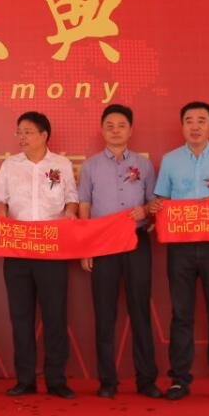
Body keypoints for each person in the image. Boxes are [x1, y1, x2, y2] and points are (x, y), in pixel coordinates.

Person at [149, 102, 209, 402]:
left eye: (201, 120)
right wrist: (156, 206)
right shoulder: (170, 160)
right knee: (181, 315)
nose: (195, 126)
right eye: (189, 120)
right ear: (182, 126)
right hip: (180, 247)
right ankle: (179, 380)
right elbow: (161, 200)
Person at [0, 111, 79, 399]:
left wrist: (69, 215)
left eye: (27, 132)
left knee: (55, 316)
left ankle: (56, 379)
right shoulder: (10, 165)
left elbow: (71, 200)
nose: (22, 137)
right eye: (19, 132)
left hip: (51, 249)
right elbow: (0, 200)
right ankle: (25, 379)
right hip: (18, 249)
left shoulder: (61, 164)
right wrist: (1, 218)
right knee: (21, 317)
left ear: (44, 135)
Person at [78, 104, 161, 399]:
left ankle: (146, 380)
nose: (115, 130)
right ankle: (107, 381)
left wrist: (146, 210)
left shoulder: (144, 164)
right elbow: (84, 206)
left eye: (121, 125)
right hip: (102, 243)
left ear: (130, 130)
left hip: (136, 241)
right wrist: (86, 246)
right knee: (104, 313)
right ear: (102, 130)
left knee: (140, 311)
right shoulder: (90, 166)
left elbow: (154, 203)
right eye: (110, 125)